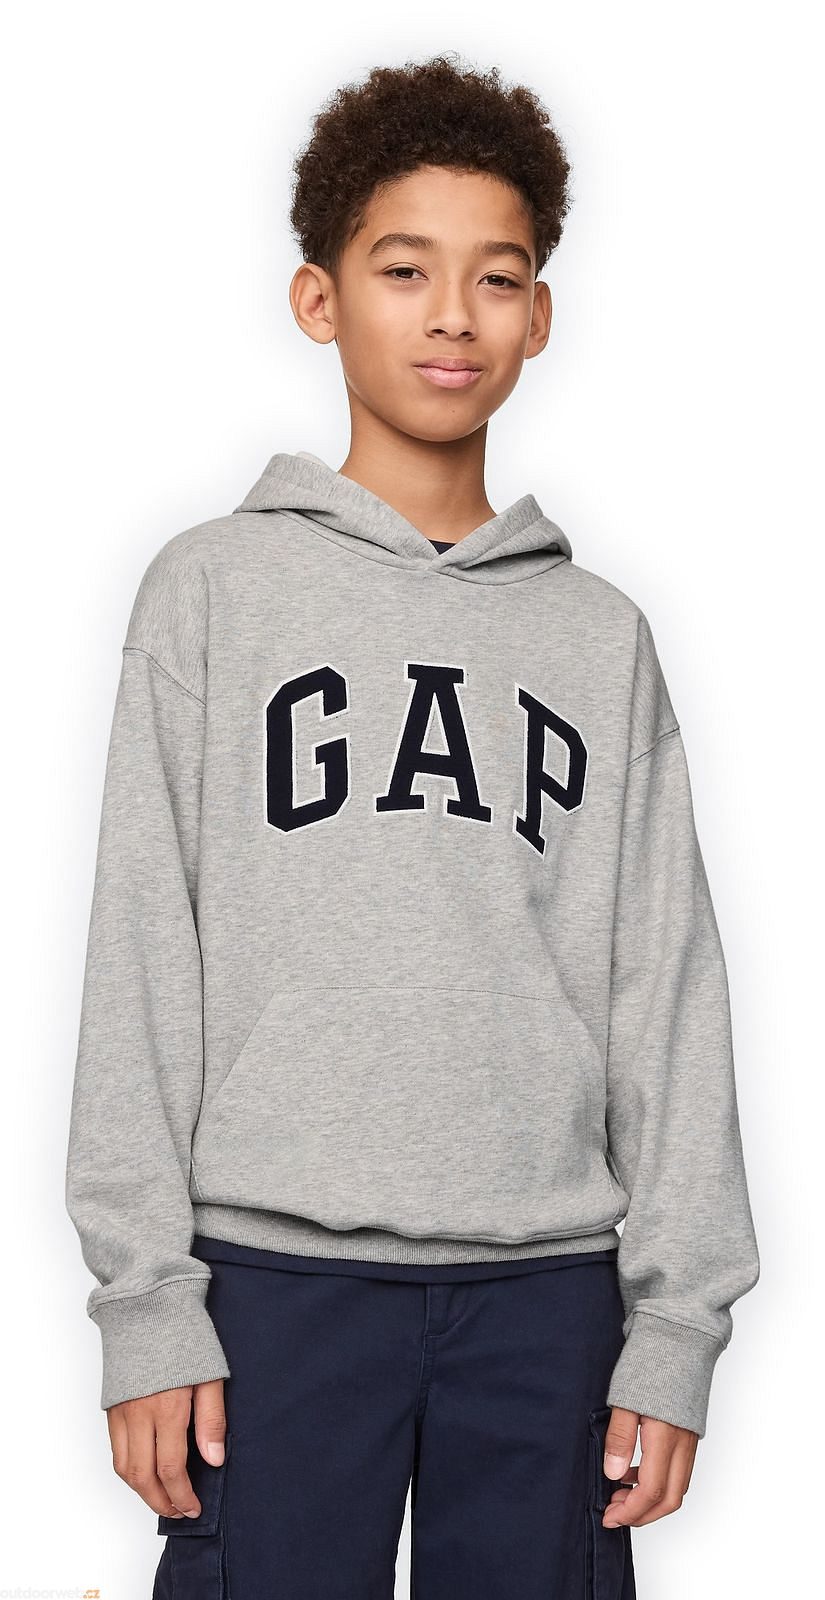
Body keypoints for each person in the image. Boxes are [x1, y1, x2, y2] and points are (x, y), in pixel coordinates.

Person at [65, 52, 760, 1599]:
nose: (452, 314)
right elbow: (140, 956)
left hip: (548, 1295)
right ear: (318, 299)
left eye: (494, 277)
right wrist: (146, 1303)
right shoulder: (211, 593)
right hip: (270, 1282)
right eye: (403, 269)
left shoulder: (597, 637)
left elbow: (662, 989)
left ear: (538, 316)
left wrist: (675, 1323)